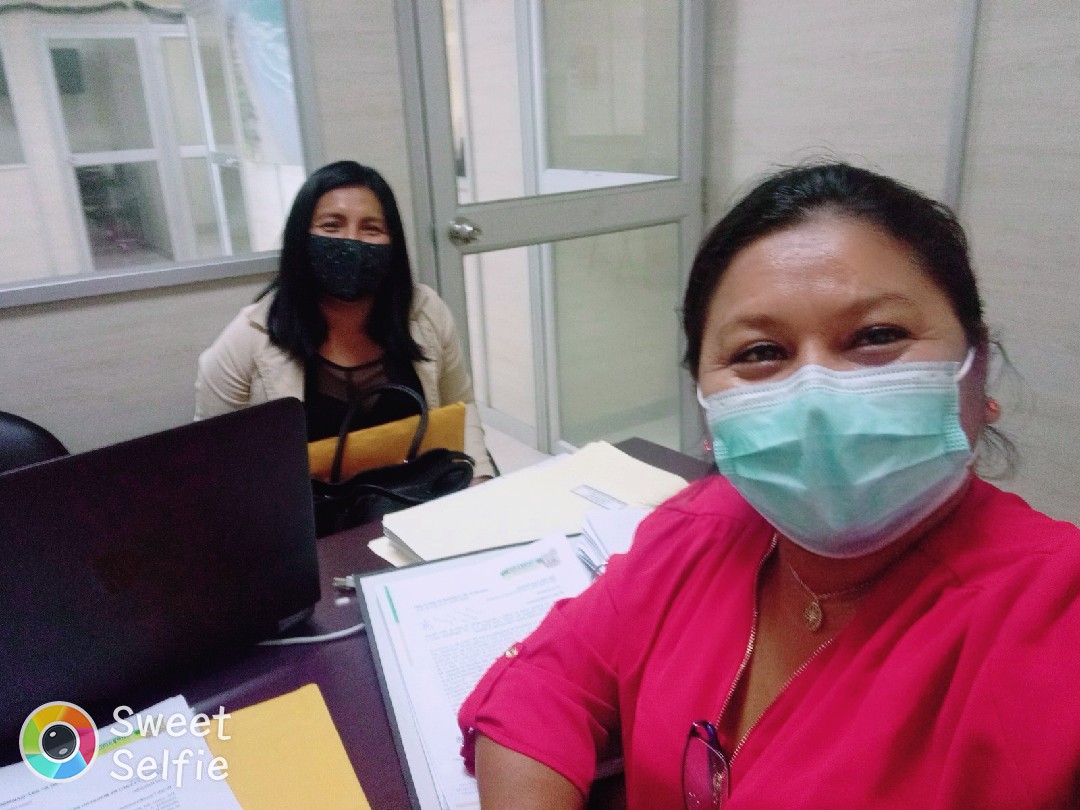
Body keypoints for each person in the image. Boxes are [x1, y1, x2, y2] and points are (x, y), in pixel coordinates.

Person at [457, 162, 1080, 808]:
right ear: (705, 404)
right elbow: (545, 686)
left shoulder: (1053, 618)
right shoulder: (702, 527)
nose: (815, 397)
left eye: (877, 336)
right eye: (760, 352)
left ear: (978, 368)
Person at [195, 161, 495, 481]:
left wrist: (480, 483)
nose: (351, 242)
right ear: (300, 236)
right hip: (312, 510)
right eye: (331, 226)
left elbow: (461, 408)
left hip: (418, 497)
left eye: (371, 228)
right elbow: (213, 457)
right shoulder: (249, 337)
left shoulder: (426, 312)